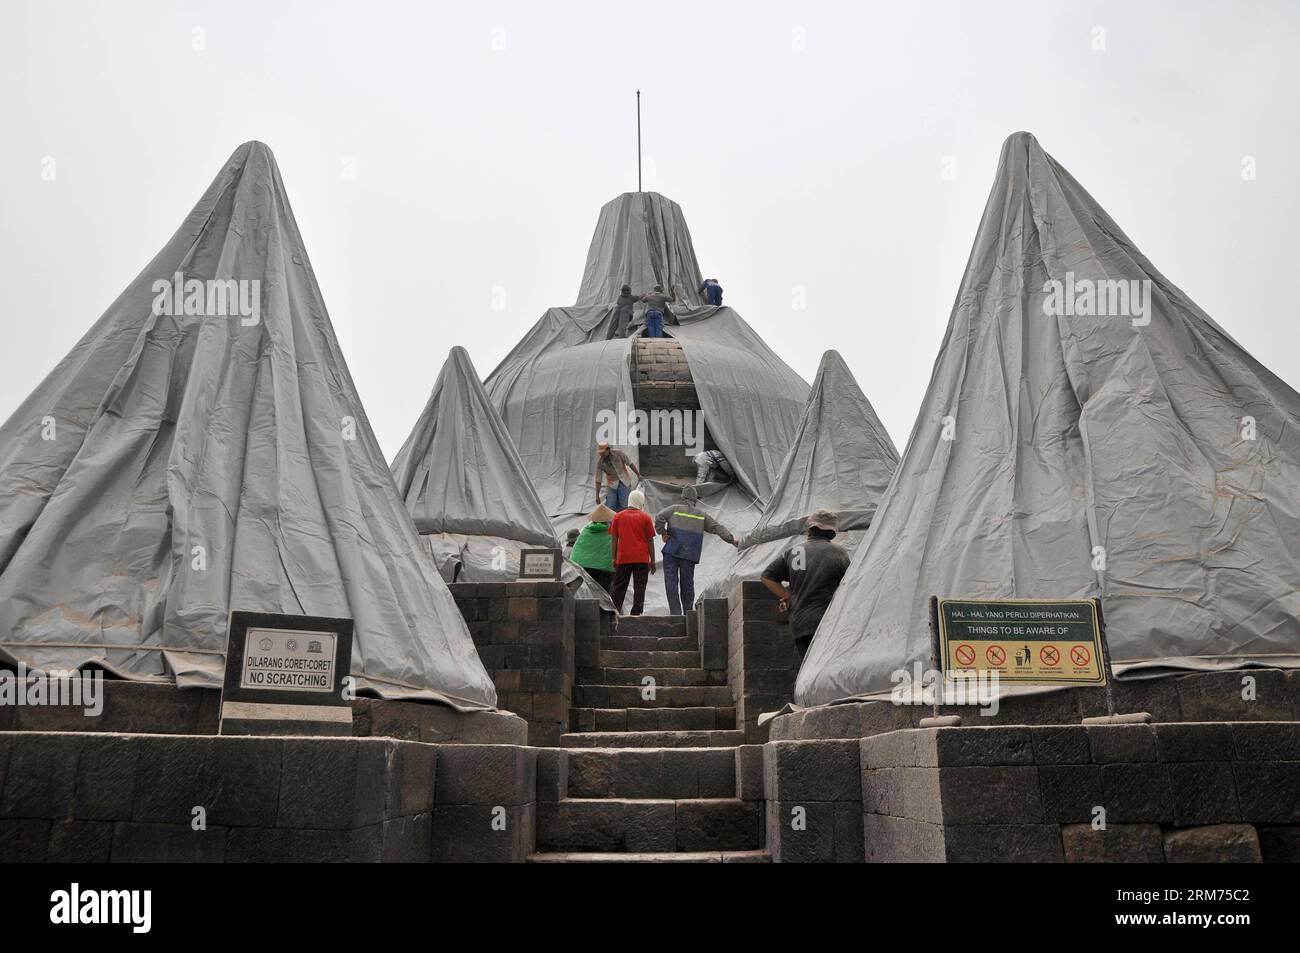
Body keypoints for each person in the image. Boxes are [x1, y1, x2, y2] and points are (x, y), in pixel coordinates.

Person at [760, 509, 851, 666]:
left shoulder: (794, 552)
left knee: (808, 668)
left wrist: (787, 596)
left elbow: (767, 576)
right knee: (829, 668)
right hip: (830, 623)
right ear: (832, 533)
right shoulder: (839, 553)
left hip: (801, 622)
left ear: (810, 529)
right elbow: (849, 585)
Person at [654, 485, 738, 616]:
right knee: (687, 585)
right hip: (689, 555)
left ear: (683, 497)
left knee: (671, 583)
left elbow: (659, 516)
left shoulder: (674, 509)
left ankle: (675, 614)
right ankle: (688, 615)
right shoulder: (701, 516)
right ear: (695, 499)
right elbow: (717, 527)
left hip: (671, 552)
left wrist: (663, 533)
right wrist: (731, 540)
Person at [609, 489, 656, 615]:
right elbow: (650, 540)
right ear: (641, 501)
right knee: (640, 586)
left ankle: (614, 612)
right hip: (641, 558)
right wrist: (653, 561)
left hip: (623, 558)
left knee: (619, 586)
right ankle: (636, 612)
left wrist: (613, 558)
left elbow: (614, 538)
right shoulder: (646, 518)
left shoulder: (618, 516)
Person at [569, 504, 616, 593]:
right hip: (605, 568)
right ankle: (603, 606)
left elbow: (578, 549)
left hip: (585, 566)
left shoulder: (586, 530)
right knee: (604, 592)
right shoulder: (612, 532)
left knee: (588, 592)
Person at [593, 440, 642, 512]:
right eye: (600, 453)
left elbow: (630, 463)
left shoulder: (619, 454)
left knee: (625, 506)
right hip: (612, 485)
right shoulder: (600, 463)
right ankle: (612, 522)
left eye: (603, 453)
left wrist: (638, 474)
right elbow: (598, 480)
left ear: (608, 450)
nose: (602, 455)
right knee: (610, 506)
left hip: (624, 482)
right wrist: (597, 496)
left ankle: (624, 520)